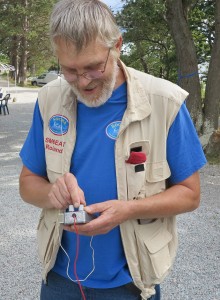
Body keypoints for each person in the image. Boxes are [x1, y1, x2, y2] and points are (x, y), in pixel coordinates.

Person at [19, 1, 207, 299]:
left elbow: (190, 194)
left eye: (93, 67)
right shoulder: (49, 99)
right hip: (60, 278)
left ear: (117, 45)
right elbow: (28, 185)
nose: (82, 82)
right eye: (69, 70)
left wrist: (127, 210)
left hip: (132, 281)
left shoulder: (165, 102)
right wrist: (51, 193)